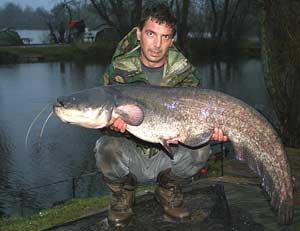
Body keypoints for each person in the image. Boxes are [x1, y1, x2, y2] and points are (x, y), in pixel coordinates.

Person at [94, 3, 227, 228]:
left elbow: (199, 122)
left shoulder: (186, 75)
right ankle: (122, 197)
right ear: (138, 34)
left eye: (165, 37)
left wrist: (212, 132)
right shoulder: (118, 72)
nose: (157, 45)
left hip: (169, 156)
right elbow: (100, 118)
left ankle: (168, 190)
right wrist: (111, 126)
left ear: (172, 40)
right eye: (151, 34)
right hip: (132, 155)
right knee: (104, 148)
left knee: (200, 150)